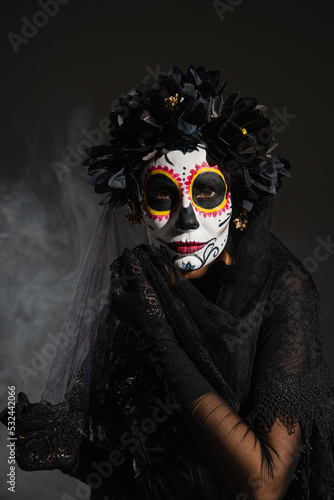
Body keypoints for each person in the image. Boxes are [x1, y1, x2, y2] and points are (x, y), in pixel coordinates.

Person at [1, 65, 334, 500]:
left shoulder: (282, 291)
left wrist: (161, 341)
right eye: (162, 195)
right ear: (137, 207)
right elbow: (149, 474)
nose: (188, 218)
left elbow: (264, 486)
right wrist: (74, 454)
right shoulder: (139, 286)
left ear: (238, 203)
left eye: (207, 192)